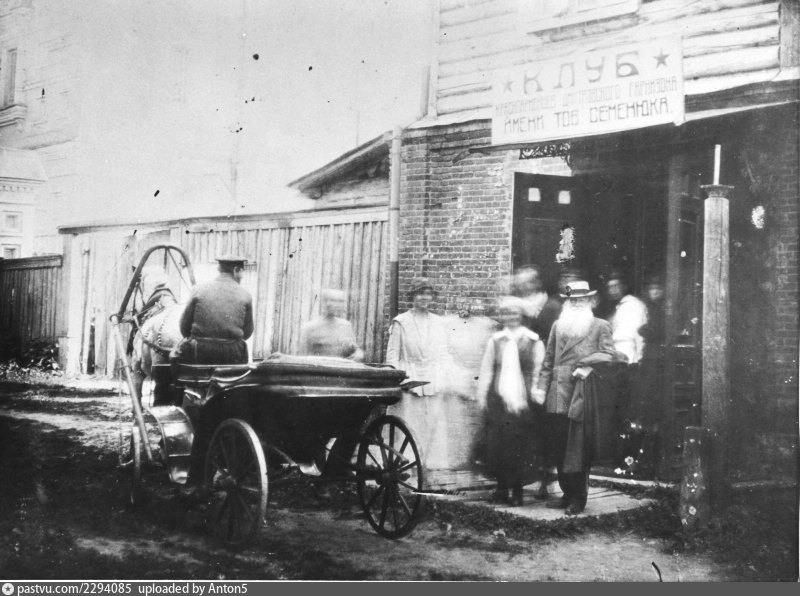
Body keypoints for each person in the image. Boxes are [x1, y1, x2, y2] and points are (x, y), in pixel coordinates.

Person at [534, 280, 618, 516]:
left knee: (577, 450)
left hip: (580, 395)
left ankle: (578, 499)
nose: (577, 304)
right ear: (566, 303)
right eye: (572, 300)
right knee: (559, 448)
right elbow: (548, 361)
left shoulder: (600, 326)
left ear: (589, 301)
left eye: (581, 300)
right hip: (557, 395)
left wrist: (588, 364)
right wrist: (541, 389)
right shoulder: (558, 326)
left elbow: (610, 355)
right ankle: (566, 494)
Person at [476, 297, 545, 506]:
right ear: (502, 317)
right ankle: (501, 488)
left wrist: (536, 392)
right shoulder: (496, 340)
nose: (511, 317)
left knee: (519, 446)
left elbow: (539, 370)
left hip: (523, 402)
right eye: (506, 313)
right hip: (498, 399)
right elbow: (487, 370)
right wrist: (483, 396)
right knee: (497, 445)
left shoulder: (533, 341)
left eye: (515, 313)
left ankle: (517, 491)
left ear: (521, 316)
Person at [386, 279, 450, 469]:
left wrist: (446, 374)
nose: (424, 297)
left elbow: (443, 351)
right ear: (412, 296)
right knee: (410, 419)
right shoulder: (401, 322)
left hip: (432, 376)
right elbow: (392, 354)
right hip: (409, 376)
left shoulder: (438, 322)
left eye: (428, 294)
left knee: (432, 419)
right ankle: (404, 460)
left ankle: (431, 461)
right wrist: (395, 377)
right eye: (420, 293)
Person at [169, 254, 254, 367]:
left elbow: (184, 327)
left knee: (175, 356)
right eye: (242, 272)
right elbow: (247, 332)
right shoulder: (246, 295)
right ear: (236, 270)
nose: (242, 276)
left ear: (219, 269)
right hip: (232, 355)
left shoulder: (198, 289)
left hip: (199, 352)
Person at [298, 289, 364, 361]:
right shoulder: (309, 327)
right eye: (334, 300)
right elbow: (302, 357)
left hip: (341, 367)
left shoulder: (346, 326)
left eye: (341, 301)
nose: (338, 305)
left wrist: (359, 353)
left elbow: (355, 348)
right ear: (325, 302)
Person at [510, 266, 561, 340]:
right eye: (520, 283)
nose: (522, 286)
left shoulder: (553, 306)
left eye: (527, 282)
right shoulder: (513, 305)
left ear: (538, 283)